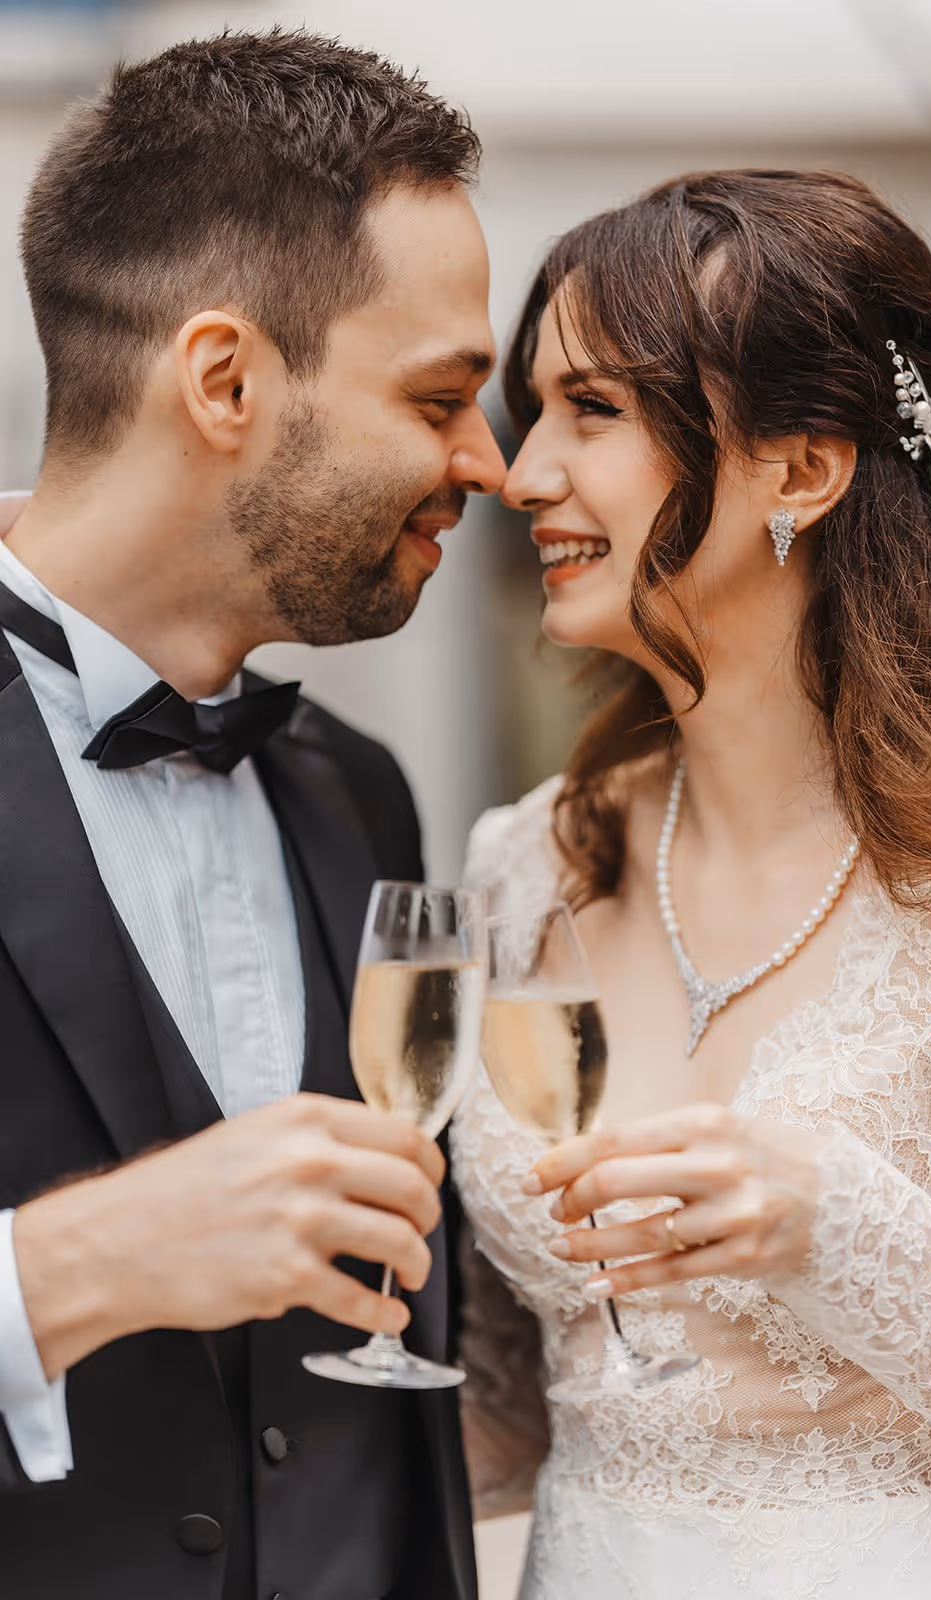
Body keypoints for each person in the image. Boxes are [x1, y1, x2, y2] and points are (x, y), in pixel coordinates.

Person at [454, 169, 931, 1598]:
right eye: (529, 410)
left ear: (800, 467)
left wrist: (843, 1230)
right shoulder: (520, 862)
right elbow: (504, 1406)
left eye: (591, 412)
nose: (523, 471)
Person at [0, 28, 505, 1600]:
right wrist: (64, 1271)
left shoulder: (362, 795)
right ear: (224, 379)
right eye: (440, 399)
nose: (485, 465)